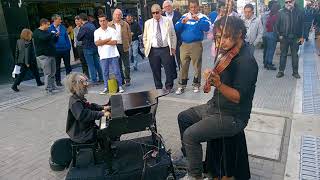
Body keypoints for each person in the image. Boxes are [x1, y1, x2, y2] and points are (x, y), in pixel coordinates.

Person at [176, 16, 258, 180]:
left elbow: (238, 98)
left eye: (227, 37)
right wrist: (211, 77)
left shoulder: (246, 62)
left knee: (190, 135)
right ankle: (191, 159)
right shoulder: (226, 53)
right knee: (183, 117)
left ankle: (195, 175)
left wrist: (219, 84)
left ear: (239, 34)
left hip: (232, 116)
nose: (222, 42)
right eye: (219, 37)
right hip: (215, 106)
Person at [175, 0, 210, 95]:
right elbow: (176, 28)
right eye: (191, 7)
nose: (193, 9)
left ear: (198, 7)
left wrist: (198, 20)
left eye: (195, 7)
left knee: (197, 66)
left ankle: (196, 84)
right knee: (183, 66)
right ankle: (181, 86)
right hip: (184, 45)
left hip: (196, 44)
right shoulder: (184, 16)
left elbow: (207, 28)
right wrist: (182, 22)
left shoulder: (203, 17)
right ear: (189, 8)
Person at [65, 72, 110, 144]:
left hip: (86, 129)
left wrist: (102, 107)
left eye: (86, 81)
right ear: (75, 86)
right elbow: (83, 115)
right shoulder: (75, 102)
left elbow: (90, 106)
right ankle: (105, 150)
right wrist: (101, 114)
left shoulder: (79, 98)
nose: (87, 84)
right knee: (107, 132)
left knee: (105, 128)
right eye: (83, 82)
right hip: (82, 134)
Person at [143, 4, 177, 93]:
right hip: (153, 50)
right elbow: (145, 37)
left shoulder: (168, 21)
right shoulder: (148, 23)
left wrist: (173, 47)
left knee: (168, 69)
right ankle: (158, 87)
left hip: (165, 48)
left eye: (157, 12)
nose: (155, 14)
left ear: (161, 11)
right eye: (153, 13)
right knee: (155, 69)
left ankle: (169, 86)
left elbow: (173, 35)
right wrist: (146, 46)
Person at [94, 15, 124, 94]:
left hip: (113, 54)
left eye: (104, 20)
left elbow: (114, 42)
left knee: (116, 71)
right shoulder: (96, 32)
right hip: (103, 55)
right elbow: (97, 43)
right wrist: (108, 39)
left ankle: (120, 86)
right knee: (105, 72)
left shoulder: (112, 30)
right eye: (101, 21)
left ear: (107, 21)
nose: (102, 22)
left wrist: (102, 41)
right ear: (99, 22)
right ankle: (106, 87)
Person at [274, 0, 304, 79]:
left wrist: (302, 37)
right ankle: (281, 71)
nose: (288, 3)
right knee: (283, 55)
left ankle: (295, 72)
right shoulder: (280, 12)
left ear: (294, 1)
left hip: (296, 38)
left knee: (295, 56)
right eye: (286, 2)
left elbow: (303, 25)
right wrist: (279, 35)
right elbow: (276, 25)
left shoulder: (299, 12)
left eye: (290, 1)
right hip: (284, 38)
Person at [33, 18, 59, 94]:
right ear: (43, 24)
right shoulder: (37, 32)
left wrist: (56, 36)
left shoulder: (47, 31)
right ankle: (48, 89)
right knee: (47, 73)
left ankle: (53, 86)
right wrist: (51, 33)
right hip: (44, 55)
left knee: (53, 72)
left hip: (51, 54)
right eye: (47, 25)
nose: (49, 26)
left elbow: (52, 41)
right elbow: (43, 38)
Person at [77, 13, 104, 84]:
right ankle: (101, 78)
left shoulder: (83, 27)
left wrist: (80, 28)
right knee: (97, 63)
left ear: (81, 19)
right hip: (94, 46)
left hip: (87, 47)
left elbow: (78, 38)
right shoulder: (92, 25)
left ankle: (94, 80)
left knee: (91, 65)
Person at [108, 9, 132, 86]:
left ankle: (127, 79)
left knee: (126, 65)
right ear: (113, 15)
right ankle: (121, 80)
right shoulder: (109, 25)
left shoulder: (125, 24)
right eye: (116, 14)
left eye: (119, 14)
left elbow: (129, 36)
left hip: (124, 46)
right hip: (114, 47)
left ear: (121, 16)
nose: (117, 16)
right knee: (118, 65)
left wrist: (128, 44)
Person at [49, 14, 72, 87]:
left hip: (65, 49)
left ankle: (69, 80)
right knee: (57, 67)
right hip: (56, 51)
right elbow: (49, 40)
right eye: (59, 19)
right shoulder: (50, 28)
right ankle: (58, 81)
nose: (61, 21)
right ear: (54, 20)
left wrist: (68, 46)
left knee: (68, 66)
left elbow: (66, 37)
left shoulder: (62, 27)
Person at [162, 0, 182, 77]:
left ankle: (182, 73)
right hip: (167, 40)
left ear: (172, 6)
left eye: (169, 6)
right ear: (164, 8)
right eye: (166, 7)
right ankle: (174, 74)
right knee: (170, 58)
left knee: (180, 57)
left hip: (178, 39)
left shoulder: (178, 14)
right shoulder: (162, 16)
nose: (168, 8)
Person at [263, 2, 280, 70]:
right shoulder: (276, 16)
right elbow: (276, 27)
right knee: (271, 50)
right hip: (272, 34)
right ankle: (269, 64)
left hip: (267, 33)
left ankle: (266, 63)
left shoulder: (270, 15)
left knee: (268, 50)